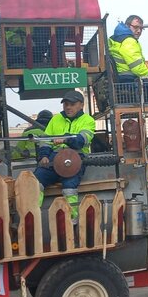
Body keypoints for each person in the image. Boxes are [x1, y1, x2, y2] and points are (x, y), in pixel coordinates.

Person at [34, 91, 95, 221]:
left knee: (69, 187)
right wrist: (43, 156)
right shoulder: (55, 119)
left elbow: (82, 140)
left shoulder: (88, 120)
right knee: (35, 182)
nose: (68, 107)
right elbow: (45, 141)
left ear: (81, 105)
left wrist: (65, 139)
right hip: (54, 158)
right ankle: (32, 216)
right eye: (66, 104)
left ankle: (72, 221)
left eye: (72, 104)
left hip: (76, 158)